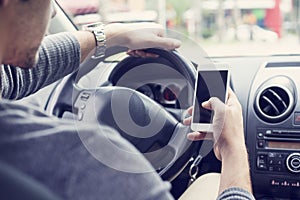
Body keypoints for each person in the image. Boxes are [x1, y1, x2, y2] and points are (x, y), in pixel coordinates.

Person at [0, 0, 255, 199]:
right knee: (211, 181)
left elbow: (13, 74)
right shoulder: (86, 164)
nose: (54, 12)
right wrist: (233, 149)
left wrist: (112, 36)